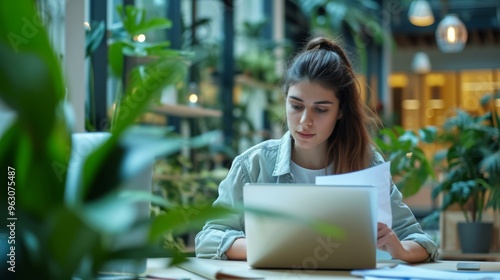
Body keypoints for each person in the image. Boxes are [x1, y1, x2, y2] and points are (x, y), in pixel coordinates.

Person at [195, 36, 439, 263]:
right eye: (296, 106)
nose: (304, 121)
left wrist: (400, 249)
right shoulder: (254, 165)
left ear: (340, 111)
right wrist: (269, 247)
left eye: (320, 109)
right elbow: (208, 238)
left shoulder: (366, 163)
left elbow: (422, 240)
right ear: (285, 101)